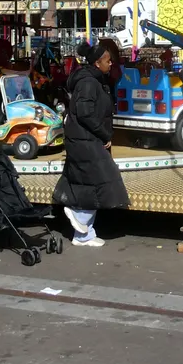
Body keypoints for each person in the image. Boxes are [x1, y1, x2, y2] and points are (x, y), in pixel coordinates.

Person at [53, 42, 129, 247]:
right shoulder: (88, 82)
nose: (110, 63)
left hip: (87, 139)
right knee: (103, 179)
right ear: (97, 62)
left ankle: (83, 235)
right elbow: (85, 113)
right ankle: (78, 216)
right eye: (107, 60)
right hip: (85, 139)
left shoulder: (95, 79)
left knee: (90, 184)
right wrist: (105, 135)